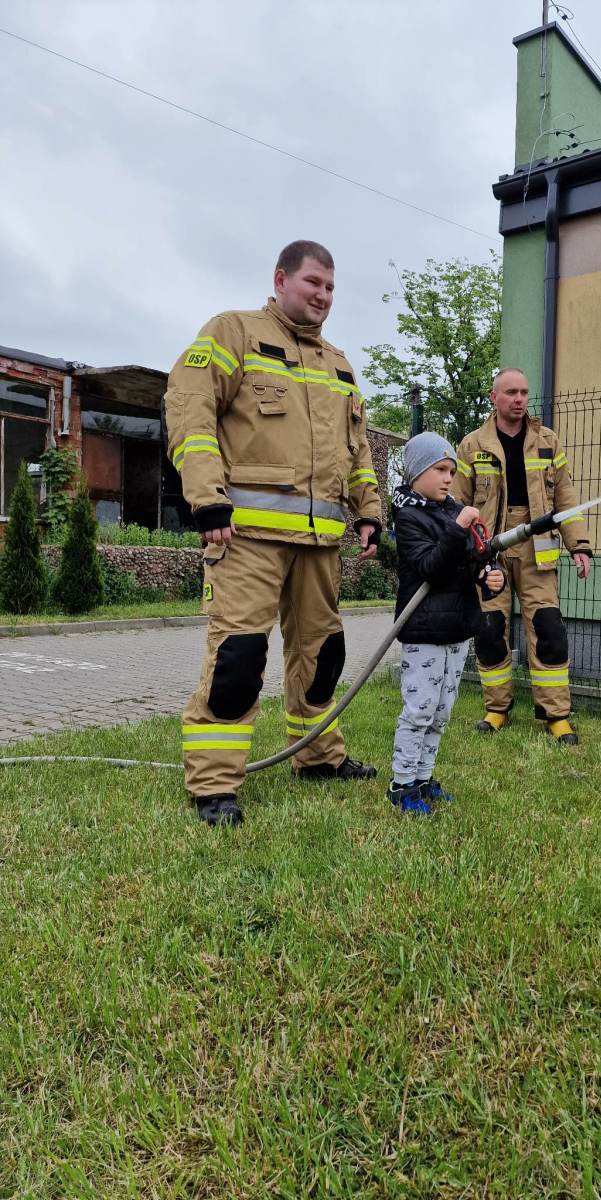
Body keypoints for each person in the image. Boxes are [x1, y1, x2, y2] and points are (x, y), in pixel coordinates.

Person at [164, 240, 382, 827]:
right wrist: (207, 499)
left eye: (331, 287)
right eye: (313, 282)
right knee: (238, 658)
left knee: (323, 657)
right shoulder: (233, 332)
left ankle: (318, 758)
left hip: (321, 545)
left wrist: (369, 511)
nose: (323, 295)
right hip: (245, 538)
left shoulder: (339, 365)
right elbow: (189, 412)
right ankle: (214, 786)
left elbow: (358, 450)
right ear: (281, 279)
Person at [452, 368, 592, 744]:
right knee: (490, 629)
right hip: (489, 550)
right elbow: (458, 504)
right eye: (511, 392)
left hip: (537, 548)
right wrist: (463, 551)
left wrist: (578, 545)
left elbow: (565, 497)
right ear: (493, 397)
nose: (519, 399)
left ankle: (556, 715)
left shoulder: (547, 441)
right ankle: (496, 709)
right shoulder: (472, 445)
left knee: (548, 628)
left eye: (524, 392)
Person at [389, 433, 504, 814]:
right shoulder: (409, 516)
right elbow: (430, 568)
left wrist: (490, 576)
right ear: (416, 472)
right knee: (420, 709)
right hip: (424, 631)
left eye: (452, 471)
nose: (448, 478)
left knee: (441, 712)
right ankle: (402, 785)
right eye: (439, 469)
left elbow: (472, 560)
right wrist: (458, 527)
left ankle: (423, 778)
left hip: (457, 628)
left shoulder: (451, 510)